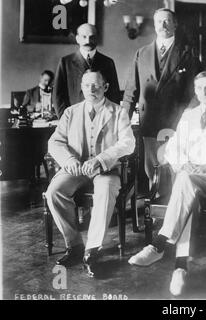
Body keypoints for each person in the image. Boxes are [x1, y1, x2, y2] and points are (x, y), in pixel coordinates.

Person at [128, 72, 206, 296]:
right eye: (199, 88)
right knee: (185, 183)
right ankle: (180, 268)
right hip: (189, 177)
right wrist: (184, 164)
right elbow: (173, 148)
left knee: (184, 183)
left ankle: (160, 243)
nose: (204, 92)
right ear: (195, 91)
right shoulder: (188, 116)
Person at [45, 70, 135, 278]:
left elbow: (128, 143)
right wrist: (69, 161)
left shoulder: (118, 111)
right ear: (82, 88)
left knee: (105, 192)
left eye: (96, 85)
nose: (91, 89)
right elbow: (54, 142)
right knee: (54, 192)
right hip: (77, 169)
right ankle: (75, 246)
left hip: (106, 169)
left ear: (105, 87)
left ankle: (91, 251)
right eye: (87, 85)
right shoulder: (71, 112)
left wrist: (101, 159)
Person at [122, 8, 201, 188]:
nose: (163, 25)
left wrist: (188, 115)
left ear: (175, 24)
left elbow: (196, 91)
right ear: (154, 25)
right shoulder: (141, 53)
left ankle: (173, 207)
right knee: (152, 169)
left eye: (167, 21)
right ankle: (155, 203)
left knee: (176, 166)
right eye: (159, 21)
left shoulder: (188, 53)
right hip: (149, 120)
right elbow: (130, 91)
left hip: (176, 121)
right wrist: (123, 119)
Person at [53, 23, 120, 118]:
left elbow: (114, 94)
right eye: (84, 37)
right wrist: (65, 120)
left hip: (102, 119)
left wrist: (111, 118)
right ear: (77, 39)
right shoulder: (65, 62)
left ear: (97, 38)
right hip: (75, 118)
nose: (88, 41)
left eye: (92, 37)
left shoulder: (108, 62)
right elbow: (57, 95)